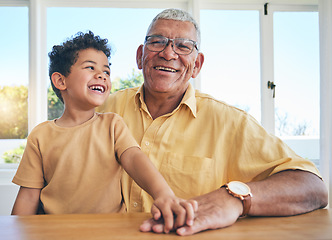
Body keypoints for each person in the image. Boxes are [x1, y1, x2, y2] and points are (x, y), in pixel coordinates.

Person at [97, 8, 328, 236]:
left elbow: (313, 187)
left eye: (183, 46)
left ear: (197, 65)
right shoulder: (101, 110)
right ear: (140, 56)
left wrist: (237, 198)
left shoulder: (231, 123)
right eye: (157, 42)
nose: (168, 53)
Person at [11, 31, 197, 233]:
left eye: (106, 72)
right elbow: (29, 196)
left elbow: (134, 159)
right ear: (60, 81)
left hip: (110, 231)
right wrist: (13, 231)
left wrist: (163, 194)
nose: (101, 75)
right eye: (90, 67)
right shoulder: (40, 135)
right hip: (56, 231)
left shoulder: (112, 124)